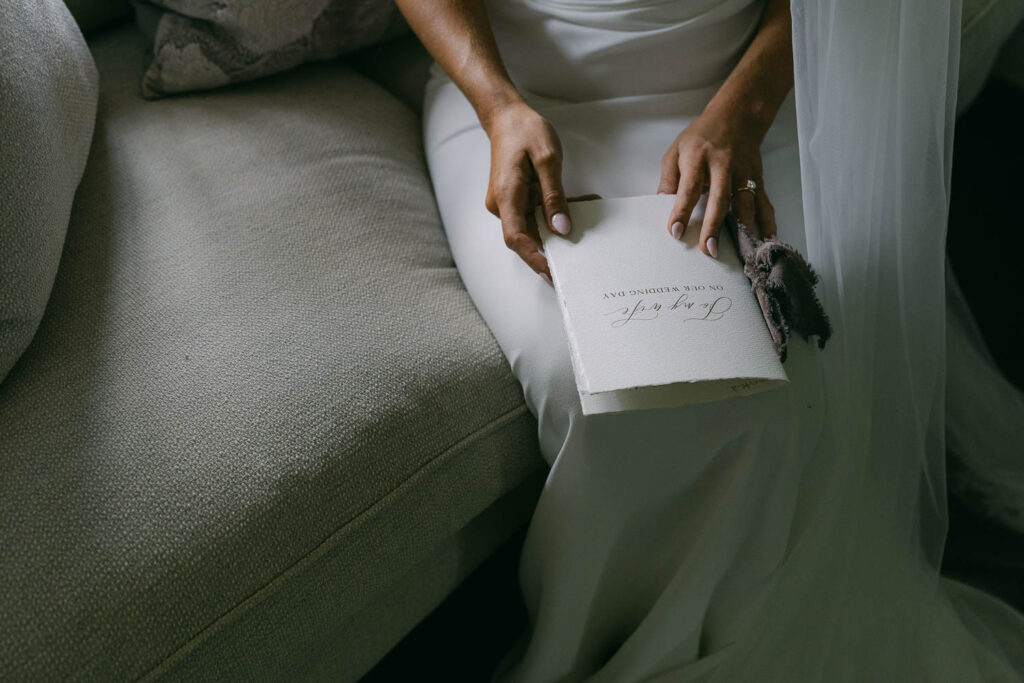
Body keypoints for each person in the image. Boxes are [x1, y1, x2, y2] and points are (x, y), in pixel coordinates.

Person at [394, 0, 1024, 680]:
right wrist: (497, 104)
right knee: (576, 373)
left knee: (779, 388)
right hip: (523, 101)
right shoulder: (506, 103)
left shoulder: (744, 108)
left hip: (732, 100)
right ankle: (584, 653)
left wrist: (745, 113)